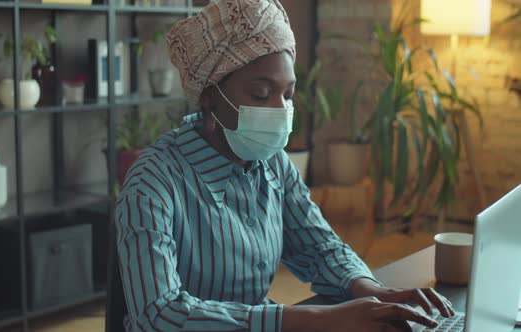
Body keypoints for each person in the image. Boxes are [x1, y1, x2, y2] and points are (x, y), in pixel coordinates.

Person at [114, 0, 454, 330]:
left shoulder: (272, 162)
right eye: (261, 95)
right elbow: (159, 313)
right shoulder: (153, 180)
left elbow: (318, 245)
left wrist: (370, 289)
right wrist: (319, 320)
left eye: (288, 95)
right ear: (209, 96)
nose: (279, 110)